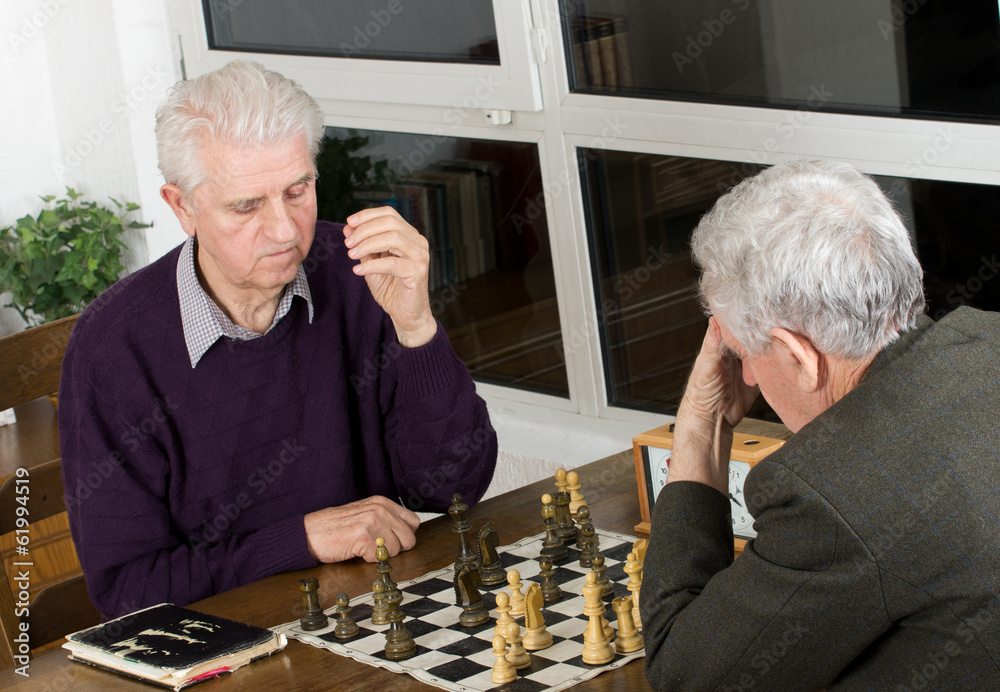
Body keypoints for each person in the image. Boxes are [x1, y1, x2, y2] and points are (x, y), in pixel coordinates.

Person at [59, 60, 497, 620]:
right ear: (182, 207)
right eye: (247, 206)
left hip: (383, 617)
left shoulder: (362, 273)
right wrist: (302, 540)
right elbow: (128, 591)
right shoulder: (113, 349)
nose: (287, 230)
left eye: (298, 190)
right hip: (236, 647)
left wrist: (417, 329)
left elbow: (454, 490)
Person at [641, 160, 1000, 690]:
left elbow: (686, 674)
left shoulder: (835, 500)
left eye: (741, 352)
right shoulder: (988, 333)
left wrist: (702, 424)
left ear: (799, 355)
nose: (744, 375)